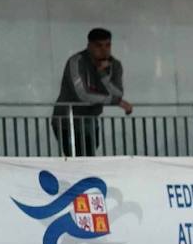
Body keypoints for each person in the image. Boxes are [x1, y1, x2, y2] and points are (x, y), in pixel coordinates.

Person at [50, 27, 133, 157]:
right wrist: (114, 101)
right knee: (77, 157)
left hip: (90, 119)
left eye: (107, 45)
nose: (104, 50)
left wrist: (103, 75)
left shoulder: (115, 65)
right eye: (98, 46)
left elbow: (118, 94)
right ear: (89, 46)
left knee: (90, 156)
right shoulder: (77, 61)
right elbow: (82, 94)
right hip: (67, 119)